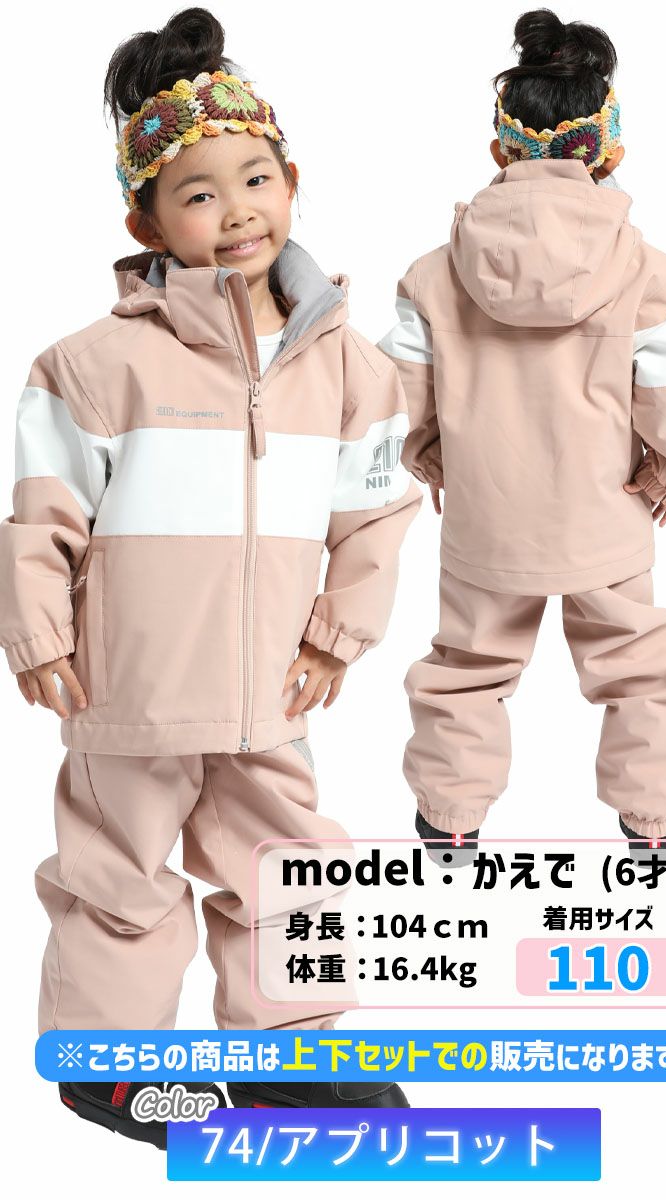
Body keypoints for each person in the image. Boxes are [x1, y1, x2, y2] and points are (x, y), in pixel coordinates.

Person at [0, 7, 418, 1147]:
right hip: (126, 688)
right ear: (144, 219)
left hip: (269, 690)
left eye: (256, 180)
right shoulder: (92, 365)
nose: (236, 211)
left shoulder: (352, 370)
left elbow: (377, 511)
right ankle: (109, 1064)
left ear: (293, 184)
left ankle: (302, 1055)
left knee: (290, 872)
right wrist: (37, 636)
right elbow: (40, 516)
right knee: (118, 874)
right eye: (197, 193)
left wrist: (336, 631)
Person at [378, 8, 666, 868]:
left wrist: (429, 456)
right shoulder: (649, 272)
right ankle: (654, 824)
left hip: (486, 519)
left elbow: (396, 390)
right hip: (606, 515)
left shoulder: (433, 273)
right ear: (608, 149)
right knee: (639, 666)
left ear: (501, 148)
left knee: (467, 665)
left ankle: (451, 820)